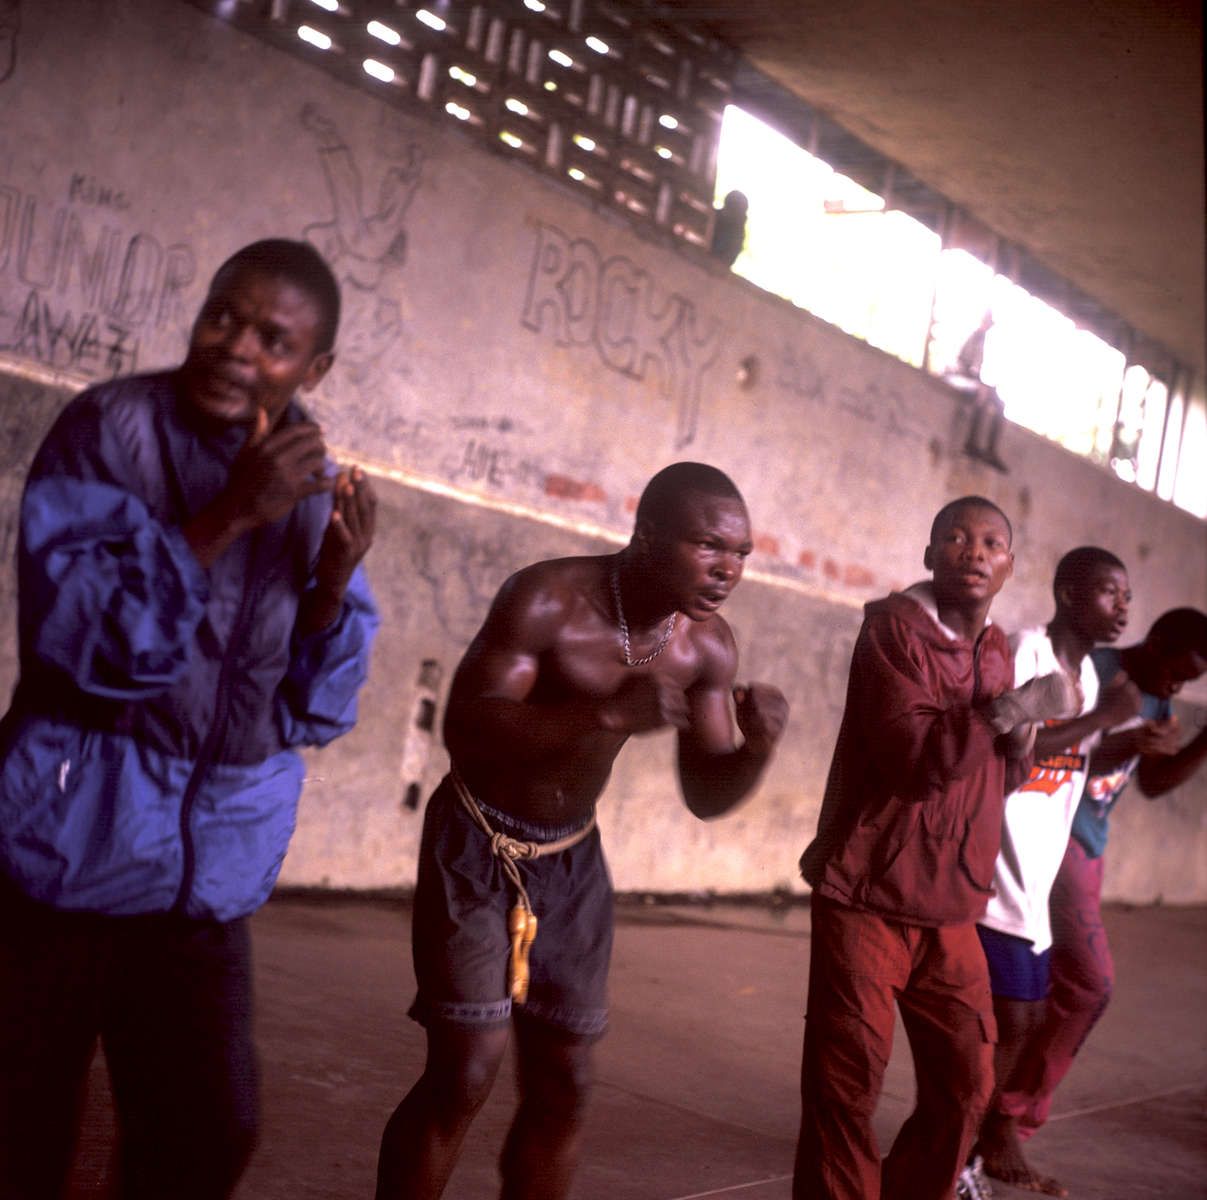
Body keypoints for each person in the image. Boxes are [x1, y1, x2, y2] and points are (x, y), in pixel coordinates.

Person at [0, 238, 379, 1200]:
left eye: (272, 339)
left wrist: (330, 584)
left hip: (201, 877)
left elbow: (313, 707)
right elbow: (80, 641)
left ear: (313, 368)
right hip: (67, 845)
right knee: (21, 1131)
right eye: (224, 316)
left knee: (208, 1133)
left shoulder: (308, 477)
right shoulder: (109, 431)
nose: (236, 349)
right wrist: (226, 518)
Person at [375, 462, 789, 1200]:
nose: (727, 569)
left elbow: (705, 794)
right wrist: (599, 715)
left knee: (566, 1081)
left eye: (740, 555)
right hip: (477, 841)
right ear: (647, 534)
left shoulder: (707, 648)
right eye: (708, 546)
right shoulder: (547, 599)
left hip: (572, 861)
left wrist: (756, 750)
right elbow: (464, 728)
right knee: (464, 1072)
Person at [793, 495, 1079, 1200]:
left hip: (951, 905)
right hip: (866, 894)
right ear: (928, 554)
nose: (972, 552)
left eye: (989, 543)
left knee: (966, 1085)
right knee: (846, 1088)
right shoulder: (892, 631)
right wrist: (1013, 710)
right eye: (954, 538)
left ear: (1009, 566)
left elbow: (997, 777)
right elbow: (915, 761)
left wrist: (1021, 736)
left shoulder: (995, 649)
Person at [967, 548, 1142, 1198]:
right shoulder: (1025, 650)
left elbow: (1066, 764)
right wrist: (1100, 721)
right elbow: (1001, 744)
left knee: (1023, 1023)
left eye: (1125, 596)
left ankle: (970, 1144)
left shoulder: (1090, 678)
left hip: (1034, 883)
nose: (1122, 607)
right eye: (1107, 592)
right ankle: (962, 1152)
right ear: (1069, 594)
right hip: (994, 874)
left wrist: (1119, 742)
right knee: (1007, 1026)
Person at [997, 608, 1207, 1150]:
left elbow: (1153, 784)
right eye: (1173, 674)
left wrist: (1193, 743)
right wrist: (1126, 740)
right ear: (1155, 643)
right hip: (1057, 831)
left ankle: (1007, 1114)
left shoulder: (1155, 693)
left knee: (1064, 986)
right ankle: (1009, 1118)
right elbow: (1052, 749)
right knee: (1089, 983)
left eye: (1187, 682)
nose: (1175, 687)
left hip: (1090, 846)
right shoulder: (1098, 668)